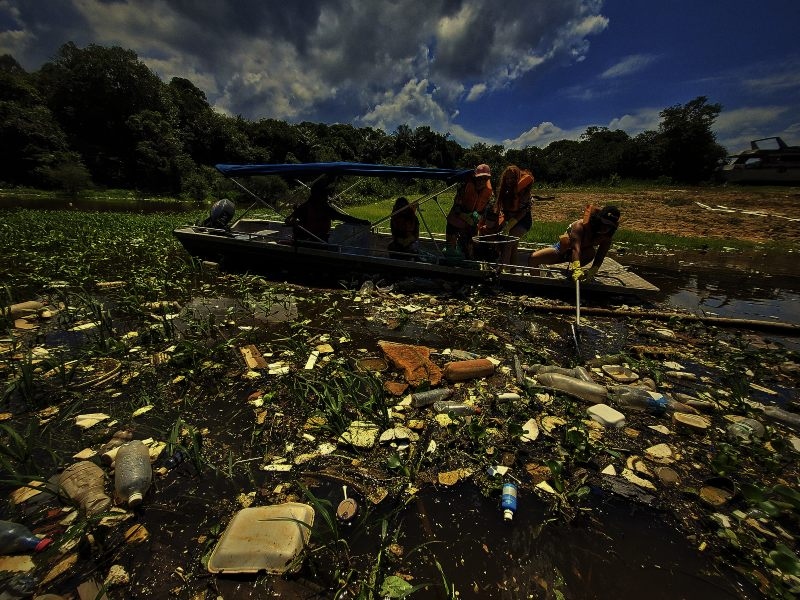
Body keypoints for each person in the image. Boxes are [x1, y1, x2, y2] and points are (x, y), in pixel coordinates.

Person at [528, 204, 621, 282]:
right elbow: (575, 248)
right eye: (604, 223)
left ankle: (574, 279)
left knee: (591, 252)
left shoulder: (607, 237)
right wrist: (577, 268)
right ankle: (537, 283)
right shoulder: (579, 226)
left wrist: (593, 271)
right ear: (598, 219)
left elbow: (600, 256)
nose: (605, 227)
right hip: (563, 250)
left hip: (584, 255)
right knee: (533, 259)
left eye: (609, 226)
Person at [285, 175, 370, 244]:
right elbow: (288, 219)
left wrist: (361, 221)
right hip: (308, 241)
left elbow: (343, 217)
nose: (327, 198)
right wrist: (293, 221)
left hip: (320, 239)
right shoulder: (307, 207)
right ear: (317, 195)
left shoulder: (324, 207)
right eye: (325, 195)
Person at [445, 164, 493, 259]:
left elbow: (483, 210)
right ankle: (451, 260)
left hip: (472, 221)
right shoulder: (465, 186)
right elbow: (456, 207)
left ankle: (470, 260)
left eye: (485, 179)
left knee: (472, 246)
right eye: (479, 178)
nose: (481, 181)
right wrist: (464, 216)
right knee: (451, 248)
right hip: (457, 218)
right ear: (475, 177)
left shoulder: (488, 192)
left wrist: (477, 216)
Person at [496, 165, 535, 265]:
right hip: (512, 221)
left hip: (523, 221)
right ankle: (512, 271)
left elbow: (522, 213)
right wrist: (505, 224)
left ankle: (502, 272)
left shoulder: (524, 193)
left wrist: (509, 226)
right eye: (507, 178)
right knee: (513, 247)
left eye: (512, 178)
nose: (509, 181)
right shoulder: (505, 191)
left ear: (517, 178)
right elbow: (504, 210)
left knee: (508, 244)